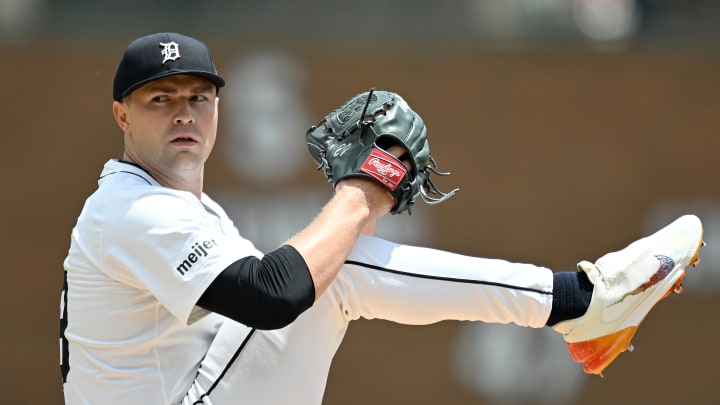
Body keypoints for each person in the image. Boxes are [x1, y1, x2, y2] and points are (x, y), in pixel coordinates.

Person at [59, 32, 704, 405]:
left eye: (199, 97)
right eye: (159, 99)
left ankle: (583, 311)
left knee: (328, 269)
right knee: (327, 277)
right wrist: (368, 187)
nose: (183, 112)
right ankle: (583, 303)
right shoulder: (131, 208)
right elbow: (273, 295)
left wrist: (365, 195)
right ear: (122, 115)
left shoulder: (167, 204)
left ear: (217, 110)